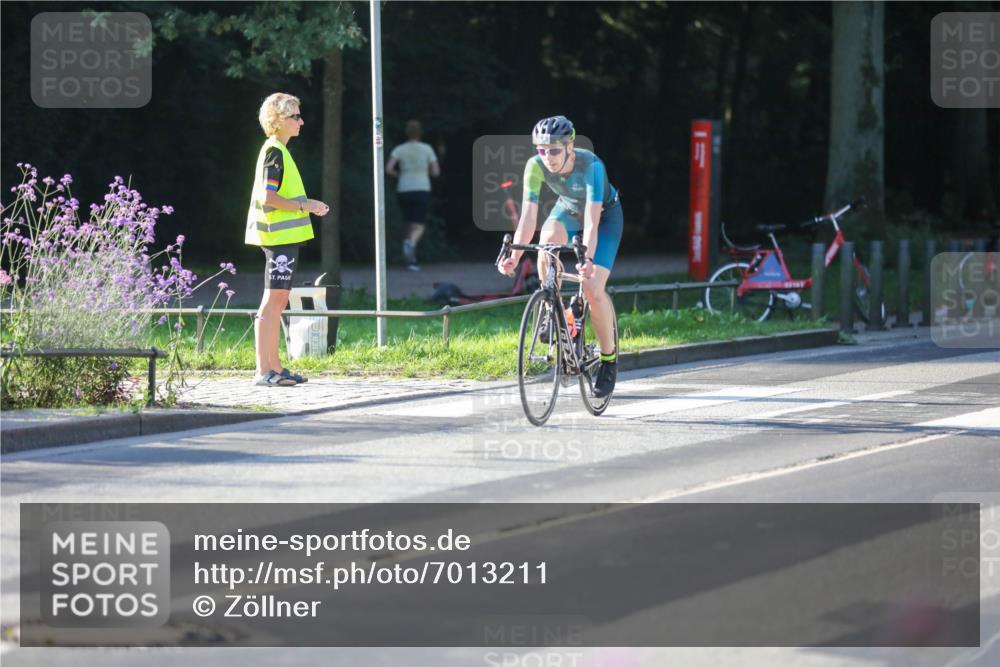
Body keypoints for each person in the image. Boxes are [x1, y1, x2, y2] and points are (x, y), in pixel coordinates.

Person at [497, 115, 623, 398]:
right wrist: (515, 257)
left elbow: (591, 223)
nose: (547, 157)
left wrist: (587, 260)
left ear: (570, 145)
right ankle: (550, 306)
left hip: (604, 218)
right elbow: (528, 220)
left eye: (554, 150)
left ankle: (608, 361)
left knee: (592, 289)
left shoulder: (591, 166)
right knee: (546, 241)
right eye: (541, 150)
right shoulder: (535, 166)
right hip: (567, 209)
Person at [245, 92, 330, 387]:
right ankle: (263, 371)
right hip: (278, 238)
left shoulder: (279, 150)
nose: (301, 122)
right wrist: (308, 205)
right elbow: (269, 197)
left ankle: (275, 368)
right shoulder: (275, 152)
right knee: (272, 301)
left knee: (279, 299)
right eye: (295, 116)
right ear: (277, 120)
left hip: (284, 238)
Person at [385, 119, 440, 271]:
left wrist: (400, 175)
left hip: (404, 188)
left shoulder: (400, 149)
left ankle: (411, 260)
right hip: (421, 187)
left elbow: (389, 168)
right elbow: (435, 171)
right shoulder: (427, 149)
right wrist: (423, 172)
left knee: (409, 224)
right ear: (420, 132)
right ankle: (411, 245)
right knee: (419, 225)